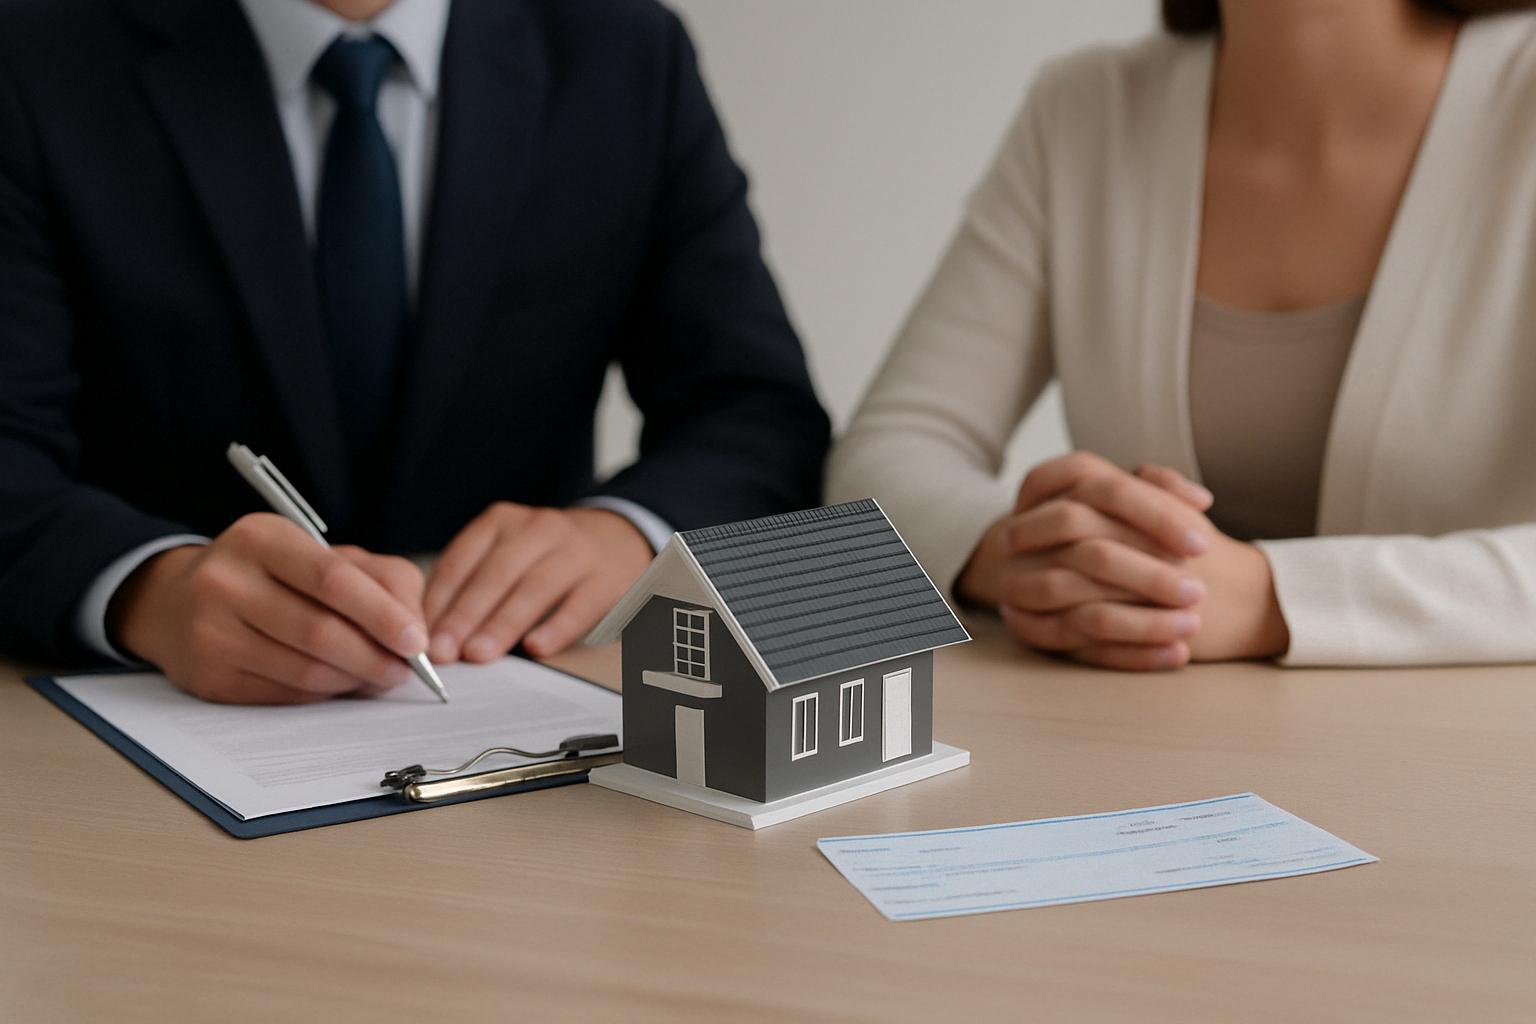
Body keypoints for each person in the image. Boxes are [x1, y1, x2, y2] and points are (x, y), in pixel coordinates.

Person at [0, 0, 829, 702]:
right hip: (143, 731)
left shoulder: (621, 49)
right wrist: (147, 589)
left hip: (518, 697)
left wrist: (628, 534)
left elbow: (757, 414)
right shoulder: (38, 52)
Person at [828, 0, 1536, 670]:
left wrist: (1269, 597)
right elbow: (887, 452)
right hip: (1144, 762)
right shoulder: (1086, 112)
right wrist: (1026, 555)